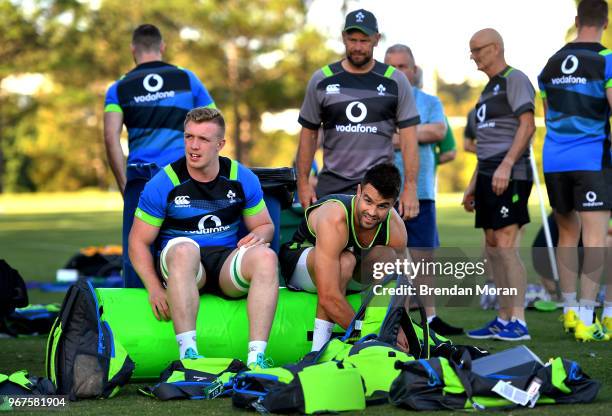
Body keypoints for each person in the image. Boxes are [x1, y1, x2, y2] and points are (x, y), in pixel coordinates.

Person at [128, 107, 278, 367]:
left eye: (203, 139)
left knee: (266, 256)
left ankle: (256, 358)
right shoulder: (165, 182)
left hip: (223, 265)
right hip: (183, 263)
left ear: (220, 144)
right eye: (189, 137)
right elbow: (137, 242)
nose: (193, 146)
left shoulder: (241, 177)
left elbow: (265, 225)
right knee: (186, 250)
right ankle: (189, 355)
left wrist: (258, 235)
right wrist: (153, 288)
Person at [104, 24, 216, 288]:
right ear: (162, 47)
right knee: (189, 243)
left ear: (133, 50)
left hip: (141, 178)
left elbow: (111, 138)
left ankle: (139, 316)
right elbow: (213, 123)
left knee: (137, 250)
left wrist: (124, 183)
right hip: (184, 176)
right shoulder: (187, 79)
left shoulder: (119, 88)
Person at [295, 9, 420, 222]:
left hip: (379, 184)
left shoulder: (395, 81)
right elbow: (308, 135)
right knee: (333, 250)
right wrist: (303, 184)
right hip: (333, 184)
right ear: (343, 37)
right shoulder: (322, 79)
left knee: (383, 253)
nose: (358, 47)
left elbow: (409, 139)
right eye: (352, 40)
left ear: (376, 39)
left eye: (364, 40)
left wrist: (410, 187)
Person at [538, 0, 611, 341]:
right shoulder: (607, 59)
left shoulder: (551, 63)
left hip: (553, 159)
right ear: (605, 23)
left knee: (567, 234)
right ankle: (586, 316)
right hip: (591, 158)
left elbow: (548, 111)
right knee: (596, 237)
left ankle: (569, 312)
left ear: (577, 20)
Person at [279, 163, 408, 351]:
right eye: (368, 201)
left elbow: (401, 283)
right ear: (358, 191)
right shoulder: (335, 217)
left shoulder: (395, 229)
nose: (372, 212)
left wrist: (397, 325)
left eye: (382, 206)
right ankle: (317, 351)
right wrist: (370, 337)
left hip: (348, 270)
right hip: (301, 263)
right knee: (345, 260)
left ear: (392, 204)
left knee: (387, 256)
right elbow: (328, 297)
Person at [462, 28, 536, 341]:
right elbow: (483, 146)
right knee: (493, 248)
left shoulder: (515, 79)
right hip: (487, 176)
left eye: (477, 49)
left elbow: (528, 125)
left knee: (505, 246)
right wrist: (471, 184)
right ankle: (503, 318)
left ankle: (518, 321)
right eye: (471, 50)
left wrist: (506, 165)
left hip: (512, 174)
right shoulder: (486, 91)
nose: (473, 55)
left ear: (495, 48)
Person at [384, 44, 463, 336]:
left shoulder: (429, 101)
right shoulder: (378, 103)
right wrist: (414, 134)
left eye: (403, 66)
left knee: (422, 258)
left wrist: (398, 135)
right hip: (384, 193)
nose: (398, 73)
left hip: (421, 192)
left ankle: (430, 319)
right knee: (388, 258)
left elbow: (438, 131)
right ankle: (396, 321)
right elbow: (377, 139)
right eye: (391, 67)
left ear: (413, 71)